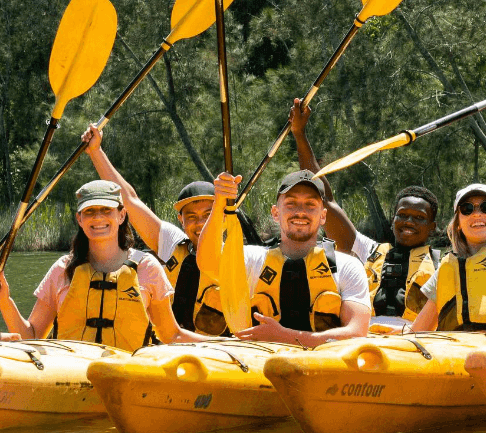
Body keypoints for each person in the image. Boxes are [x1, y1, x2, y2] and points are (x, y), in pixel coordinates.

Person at [0, 180, 204, 348]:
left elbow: (172, 335)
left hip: (128, 380)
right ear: (79, 218)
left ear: (121, 215)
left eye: (106, 210)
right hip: (70, 381)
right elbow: (31, 337)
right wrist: (5, 301)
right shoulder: (63, 269)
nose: (98, 217)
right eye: (89, 211)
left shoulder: (147, 267)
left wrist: (226, 344)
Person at [289, 98, 441, 324]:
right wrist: (299, 134)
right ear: (392, 220)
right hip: (365, 340)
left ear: (432, 228)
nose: (409, 221)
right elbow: (324, 198)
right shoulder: (367, 250)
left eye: (419, 218)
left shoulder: (444, 265)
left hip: (414, 345)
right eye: (403, 215)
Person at [407, 82, 486, 336]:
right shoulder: (447, 267)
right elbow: (418, 332)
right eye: (467, 208)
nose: (477, 213)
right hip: (454, 358)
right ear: (457, 223)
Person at [82, 124, 232, 336]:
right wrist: (96, 152)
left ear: (222, 216)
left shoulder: (240, 259)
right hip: (169, 348)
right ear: (181, 220)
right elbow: (130, 200)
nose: (200, 224)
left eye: (208, 215)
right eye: (192, 217)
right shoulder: (173, 243)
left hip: (215, 355)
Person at [197, 169, 371, 347]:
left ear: (323, 215)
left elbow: (357, 333)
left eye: (310, 204)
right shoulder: (252, 259)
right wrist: (219, 204)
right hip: (259, 367)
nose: (300, 212)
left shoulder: (348, 266)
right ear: (275, 213)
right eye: (291, 203)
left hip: (322, 368)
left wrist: (283, 337)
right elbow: (207, 263)